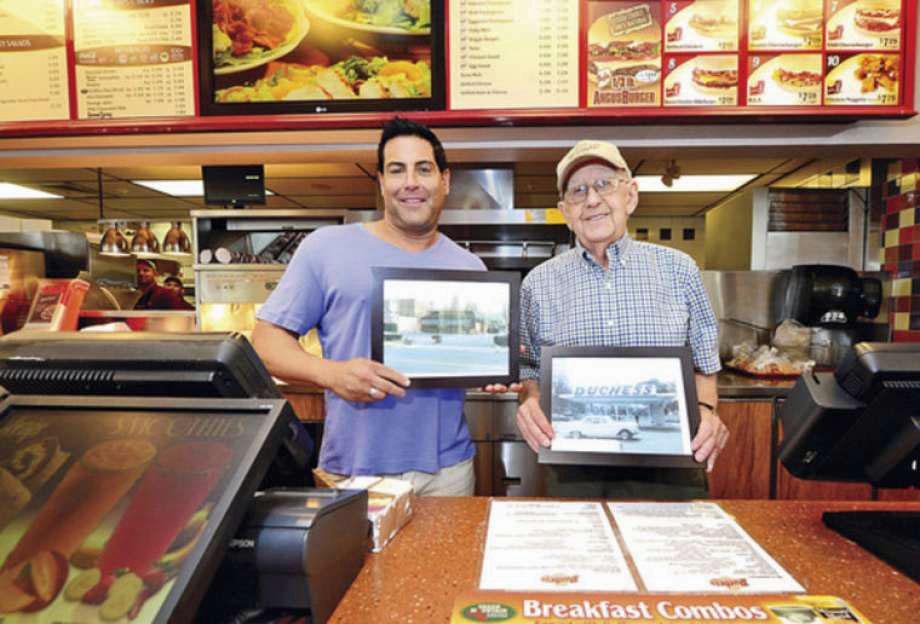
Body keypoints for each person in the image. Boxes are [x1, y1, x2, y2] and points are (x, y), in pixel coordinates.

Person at [252, 118, 486, 496]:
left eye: (423, 169)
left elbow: (474, 354)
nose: (411, 181)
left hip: (450, 472)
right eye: (397, 170)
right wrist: (332, 374)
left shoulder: (470, 268)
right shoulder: (326, 248)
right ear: (380, 182)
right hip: (355, 473)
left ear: (445, 181)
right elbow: (264, 343)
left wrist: (492, 367)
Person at [512, 139, 729, 499]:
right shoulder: (538, 283)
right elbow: (530, 369)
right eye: (578, 191)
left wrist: (706, 410)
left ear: (630, 195)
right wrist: (529, 404)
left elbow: (705, 364)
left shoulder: (680, 270)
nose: (592, 199)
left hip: (669, 464)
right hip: (575, 466)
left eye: (604, 184)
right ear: (565, 210)